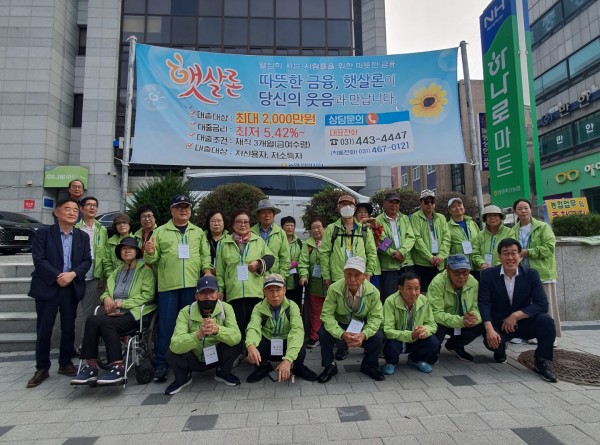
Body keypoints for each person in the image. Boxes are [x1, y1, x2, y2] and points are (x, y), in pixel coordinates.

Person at [143, 194, 213, 382]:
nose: (183, 210)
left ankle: (187, 362)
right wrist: (149, 253)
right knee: (166, 327)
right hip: (168, 287)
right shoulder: (160, 232)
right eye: (179, 207)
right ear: (172, 210)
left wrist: (207, 272)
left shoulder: (198, 232)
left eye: (186, 207)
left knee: (191, 325)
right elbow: (152, 259)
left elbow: (205, 256)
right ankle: (161, 364)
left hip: (192, 286)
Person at [71, 237, 156, 385]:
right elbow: (106, 292)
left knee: (107, 324)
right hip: (115, 313)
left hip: (136, 314)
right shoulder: (116, 272)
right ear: (119, 253)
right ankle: (91, 366)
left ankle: (118, 367)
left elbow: (147, 295)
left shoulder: (145, 271)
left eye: (130, 248)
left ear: (137, 252)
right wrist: (106, 299)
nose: (127, 251)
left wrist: (124, 303)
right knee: (91, 321)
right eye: (123, 249)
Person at [26, 198, 92, 388]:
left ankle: (65, 363)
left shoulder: (81, 236)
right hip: (48, 286)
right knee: (44, 328)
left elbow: (87, 260)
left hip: (70, 287)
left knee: (68, 327)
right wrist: (58, 276)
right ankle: (42, 367)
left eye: (75, 210)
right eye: (67, 209)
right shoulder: (44, 233)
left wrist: (72, 274)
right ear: (56, 212)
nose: (72, 212)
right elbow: (39, 259)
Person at [478, 239, 558, 382]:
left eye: (514, 253)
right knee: (493, 343)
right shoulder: (488, 275)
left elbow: (542, 304)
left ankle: (542, 361)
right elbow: (484, 303)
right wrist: (489, 329)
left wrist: (516, 316)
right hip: (500, 323)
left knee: (546, 321)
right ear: (499, 256)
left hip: (523, 322)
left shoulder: (531, 274)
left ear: (520, 255)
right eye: (505, 253)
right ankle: (500, 349)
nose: (510, 257)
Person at [164, 275, 243, 394]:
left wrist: (217, 330)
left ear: (218, 294)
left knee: (236, 343)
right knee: (172, 352)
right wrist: (198, 335)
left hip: (216, 356)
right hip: (193, 359)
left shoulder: (226, 308)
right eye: (203, 292)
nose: (207, 296)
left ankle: (223, 372)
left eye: (211, 292)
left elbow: (236, 336)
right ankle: (183, 378)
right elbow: (175, 344)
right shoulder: (186, 311)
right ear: (196, 296)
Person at [317, 257, 385, 383]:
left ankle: (369, 365)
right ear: (344, 274)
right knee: (323, 332)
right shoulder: (334, 289)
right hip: (341, 324)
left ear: (364, 276)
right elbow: (326, 315)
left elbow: (376, 318)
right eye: (349, 274)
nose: (352, 279)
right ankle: (329, 366)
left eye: (357, 275)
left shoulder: (373, 292)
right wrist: (341, 333)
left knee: (378, 336)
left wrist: (363, 335)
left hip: (361, 325)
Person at [245, 274, 318, 383]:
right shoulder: (258, 307)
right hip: (268, 343)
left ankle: (298, 367)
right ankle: (263, 367)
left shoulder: (292, 306)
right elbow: (253, 327)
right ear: (264, 292)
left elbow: (297, 331)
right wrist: (250, 346)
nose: (275, 295)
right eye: (270, 290)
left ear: (284, 290)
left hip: (286, 344)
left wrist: (288, 360)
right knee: (254, 344)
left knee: (299, 346)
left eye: (278, 290)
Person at [216, 209, 275, 338]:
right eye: (239, 221)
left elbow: (270, 258)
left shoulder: (258, 241)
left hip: (254, 292)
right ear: (233, 224)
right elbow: (220, 270)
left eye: (246, 222)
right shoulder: (224, 243)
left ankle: (253, 349)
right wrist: (220, 289)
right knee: (237, 326)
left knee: (254, 326)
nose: (243, 224)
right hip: (234, 293)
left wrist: (258, 263)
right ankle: (240, 349)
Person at [511, 198, 561, 343]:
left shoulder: (543, 227)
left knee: (546, 304)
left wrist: (528, 252)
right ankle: (527, 334)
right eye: (520, 209)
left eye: (526, 208)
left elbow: (549, 247)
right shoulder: (512, 231)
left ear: (530, 209)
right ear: (515, 212)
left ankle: (550, 336)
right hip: (521, 273)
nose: (523, 211)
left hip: (542, 272)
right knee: (525, 305)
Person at [427, 254, 483, 364]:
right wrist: (460, 321)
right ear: (448, 270)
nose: (461, 277)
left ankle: (455, 345)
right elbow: (435, 313)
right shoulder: (438, 282)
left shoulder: (473, 282)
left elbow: (477, 307)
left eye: (465, 272)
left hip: (463, 320)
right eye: (457, 272)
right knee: (435, 326)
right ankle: (434, 349)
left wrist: (473, 317)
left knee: (482, 324)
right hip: (443, 321)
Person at [382, 272, 438, 374]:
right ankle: (391, 362)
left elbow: (432, 324)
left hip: (416, 337)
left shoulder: (424, 300)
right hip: (398, 339)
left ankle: (415, 360)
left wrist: (423, 331)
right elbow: (387, 330)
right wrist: (410, 335)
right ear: (400, 288)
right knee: (391, 345)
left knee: (433, 341)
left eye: (417, 289)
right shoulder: (390, 301)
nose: (413, 293)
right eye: (409, 288)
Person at [375, 192, 416, 302]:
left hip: (406, 263)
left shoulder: (405, 218)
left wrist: (401, 252)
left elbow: (411, 237)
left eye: (396, 203)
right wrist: (393, 253)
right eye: (391, 202)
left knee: (408, 297)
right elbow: (380, 241)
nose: (394, 205)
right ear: (384, 203)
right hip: (389, 267)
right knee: (390, 298)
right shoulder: (378, 221)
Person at [75, 197, 109, 322]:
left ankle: (86, 335)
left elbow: (104, 254)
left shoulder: (102, 229)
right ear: (82, 209)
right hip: (75, 274)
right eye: (89, 205)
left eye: (94, 205)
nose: (92, 207)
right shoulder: (76, 228)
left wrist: (101, 276)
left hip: (93, 275)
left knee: (89, 312)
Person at [410, 190, 450, 293]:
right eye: (426, 202)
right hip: (422, 263)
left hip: (439, 263)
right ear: (421, 203)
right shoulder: (415, 217)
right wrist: (429, 257)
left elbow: (446, 238)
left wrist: (441, 256)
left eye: (432, 202)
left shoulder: (441, 218)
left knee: (438, 292)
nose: (430, 204)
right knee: (422, 293)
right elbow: (417, 239)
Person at [299, 217, 327, 349]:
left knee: (333, 311)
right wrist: (303, 276)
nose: (316, 230)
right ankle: (315, 336)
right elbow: (303, 262)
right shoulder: (307, 245)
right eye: (313, 228)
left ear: (324, 228)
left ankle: (333, 337)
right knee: (316, 313)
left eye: (318, 227)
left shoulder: (330, 241)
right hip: (314, 286)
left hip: (330, 284)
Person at [251, 199, 291, 277]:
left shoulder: (281, 233)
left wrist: (281, 277)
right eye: (263, 213)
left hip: (274, 277)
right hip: (254, 276)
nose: (267, 215)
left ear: (274, 215)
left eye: (269, 212)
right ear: (258, 216)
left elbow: (285, 258)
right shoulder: (251, 233)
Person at [447, 197, 480, 279]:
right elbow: (445, 248)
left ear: (464, 207)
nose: (457, 208)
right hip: (459, 269)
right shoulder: (446, 227)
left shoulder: (472, 223)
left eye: (459, 205)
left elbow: (480, 242)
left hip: (476, 266)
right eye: (453, 206)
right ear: (449, 211)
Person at [472, 205, 512, 271]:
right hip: (485, 271)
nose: (492, 218)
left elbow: (510, 252)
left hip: (504, 270)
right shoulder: (480, 235)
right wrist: (481, 263)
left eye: (495, 215)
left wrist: (496, 266)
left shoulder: (509, 232)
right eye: (489, 216)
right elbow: (475, 253)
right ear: (485, 219)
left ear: (500, 217)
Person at [354, 202, 382, 289]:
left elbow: (380, 246)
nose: (363, 214)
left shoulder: (374, 227)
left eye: (365, 212)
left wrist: (376, 229)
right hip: (358, 269)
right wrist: (361, 226)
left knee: (373, 293)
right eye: (359, 212)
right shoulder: (352, 229)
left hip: (374, 270)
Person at [281, 216, 303, 309]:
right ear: (282, 227)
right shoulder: (279, 241)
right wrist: (287, 265)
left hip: (295, 281)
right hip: (282, 279)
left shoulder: (299, 242)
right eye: (287, 225)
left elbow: (303, 258)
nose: (289, 227)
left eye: (292, 225)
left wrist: (295, 263)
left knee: (295, 307)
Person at [103, 213, 132, 278]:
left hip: (132, 277)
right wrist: (111, 275)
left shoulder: (136, 240)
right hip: (113, 277)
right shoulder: (110, 242)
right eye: (118, 223)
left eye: (124, 222)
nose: (122, 225)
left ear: (129, 225)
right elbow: (106, 261)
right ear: (115, 226)